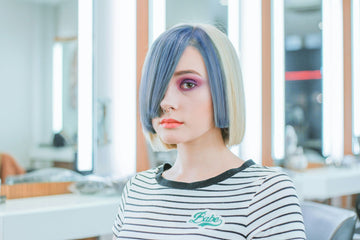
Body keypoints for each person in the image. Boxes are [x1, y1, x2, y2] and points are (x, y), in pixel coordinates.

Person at [113, 23, 306, 240]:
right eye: (157, 87)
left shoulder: (266, 192)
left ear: (224, 90)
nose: (166, 102)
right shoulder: (136, 190)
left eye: (187, 84)